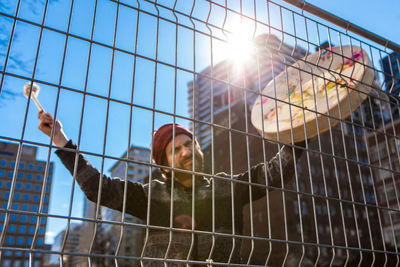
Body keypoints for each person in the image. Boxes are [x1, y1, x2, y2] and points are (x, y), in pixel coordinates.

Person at [38, 111, 305, 266]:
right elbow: (99, 189)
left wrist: (299, 128)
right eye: (175, 150)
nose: (186, 151)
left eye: (190, 144)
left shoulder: (228, 187)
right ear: (164, 165)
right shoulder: (149, 194)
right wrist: (60, 140)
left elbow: (273, 173)